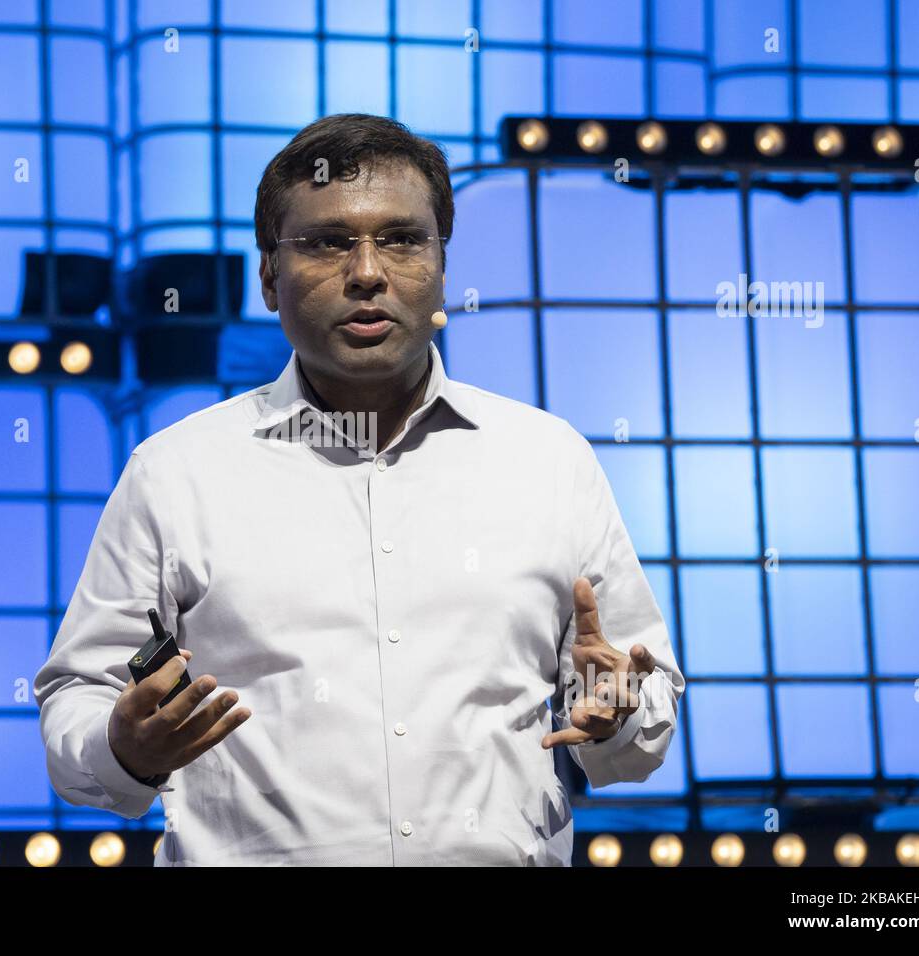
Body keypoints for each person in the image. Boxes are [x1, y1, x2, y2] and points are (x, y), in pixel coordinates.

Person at [35, 112, 685, 866]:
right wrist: (124, 746)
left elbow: (641, 714)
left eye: (403, 239)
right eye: (327, 243)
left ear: (441, 264)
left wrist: (613, 717)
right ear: (270, 277)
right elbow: (75, 705)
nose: (369, 272)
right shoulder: (175, 472)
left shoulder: (548, 460)